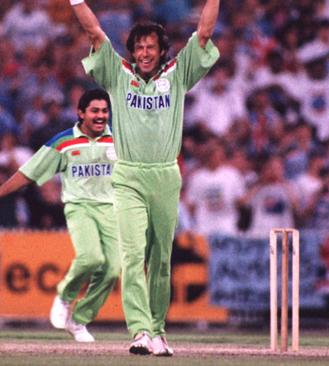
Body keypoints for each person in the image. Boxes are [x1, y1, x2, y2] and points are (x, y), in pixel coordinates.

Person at [68, 0, 220, 356]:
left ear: (163, 50)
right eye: (139, 47)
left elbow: (206, 32)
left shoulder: (179, 73)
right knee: (133, 255)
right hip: (128, 175)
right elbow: (93, 31)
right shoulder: (117, 74)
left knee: (161, 259)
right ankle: (139, 331)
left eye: (151, 46)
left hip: (166, 175)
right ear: (132, 51)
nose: (145, 52)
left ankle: (158, 330)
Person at [0, 89, 119, 343]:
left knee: (113, 270)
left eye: (104, 111)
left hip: (111, 209)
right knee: (91, 257)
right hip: (80, 207)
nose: (100, 116)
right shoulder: (63, 142)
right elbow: (29, 172)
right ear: (81, 113)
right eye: (94, 111)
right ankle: (64, 295)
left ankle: (79, 319)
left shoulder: (118, 140)